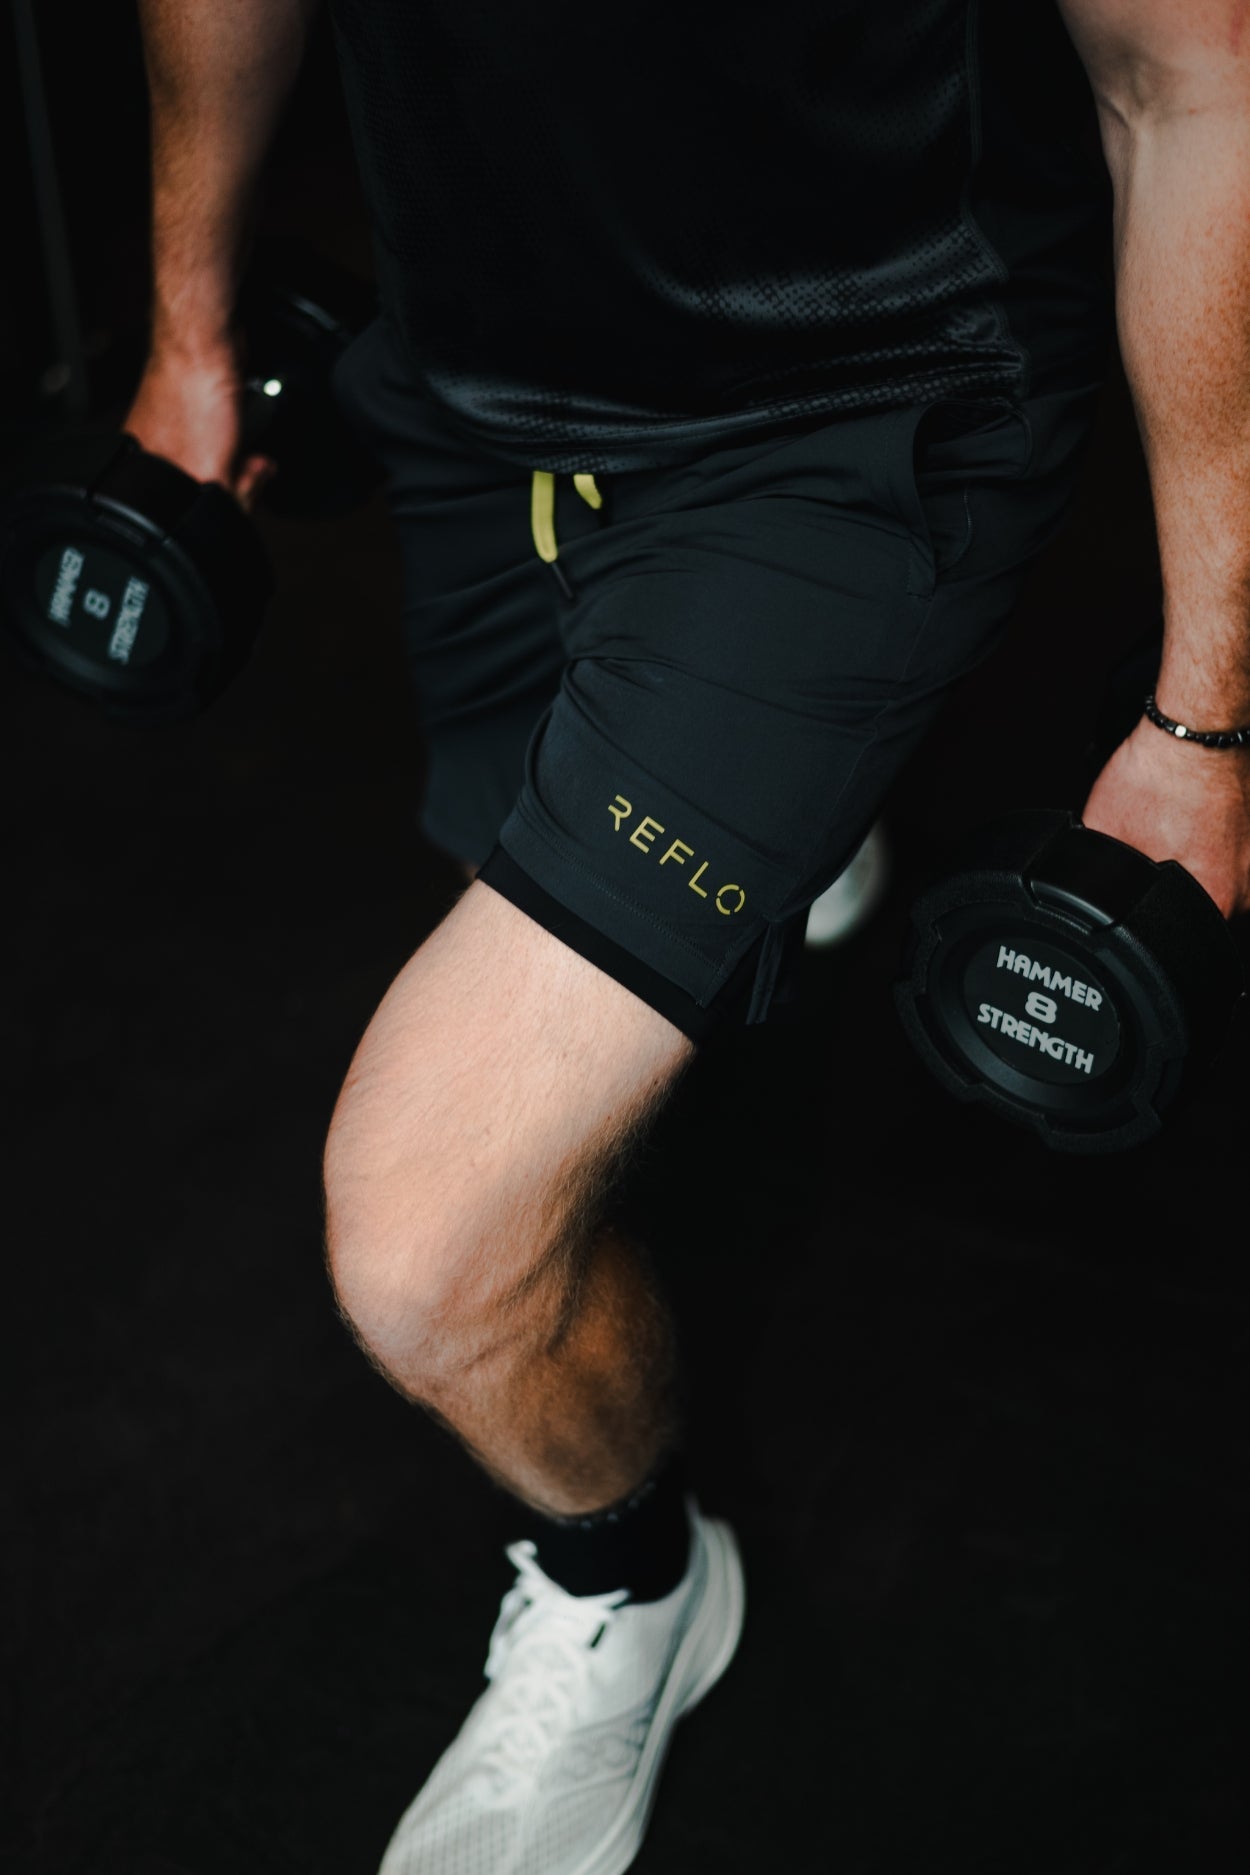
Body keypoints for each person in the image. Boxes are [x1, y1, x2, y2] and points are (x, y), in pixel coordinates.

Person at [123, 2, 1250, 1870]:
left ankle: (632, 1588)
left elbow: (1187, 76)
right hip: (475, 383)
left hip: (855, 415)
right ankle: (792, 808)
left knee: (429, 1253)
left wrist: (1206, 722)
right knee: (504, 853)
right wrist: (188, 331)